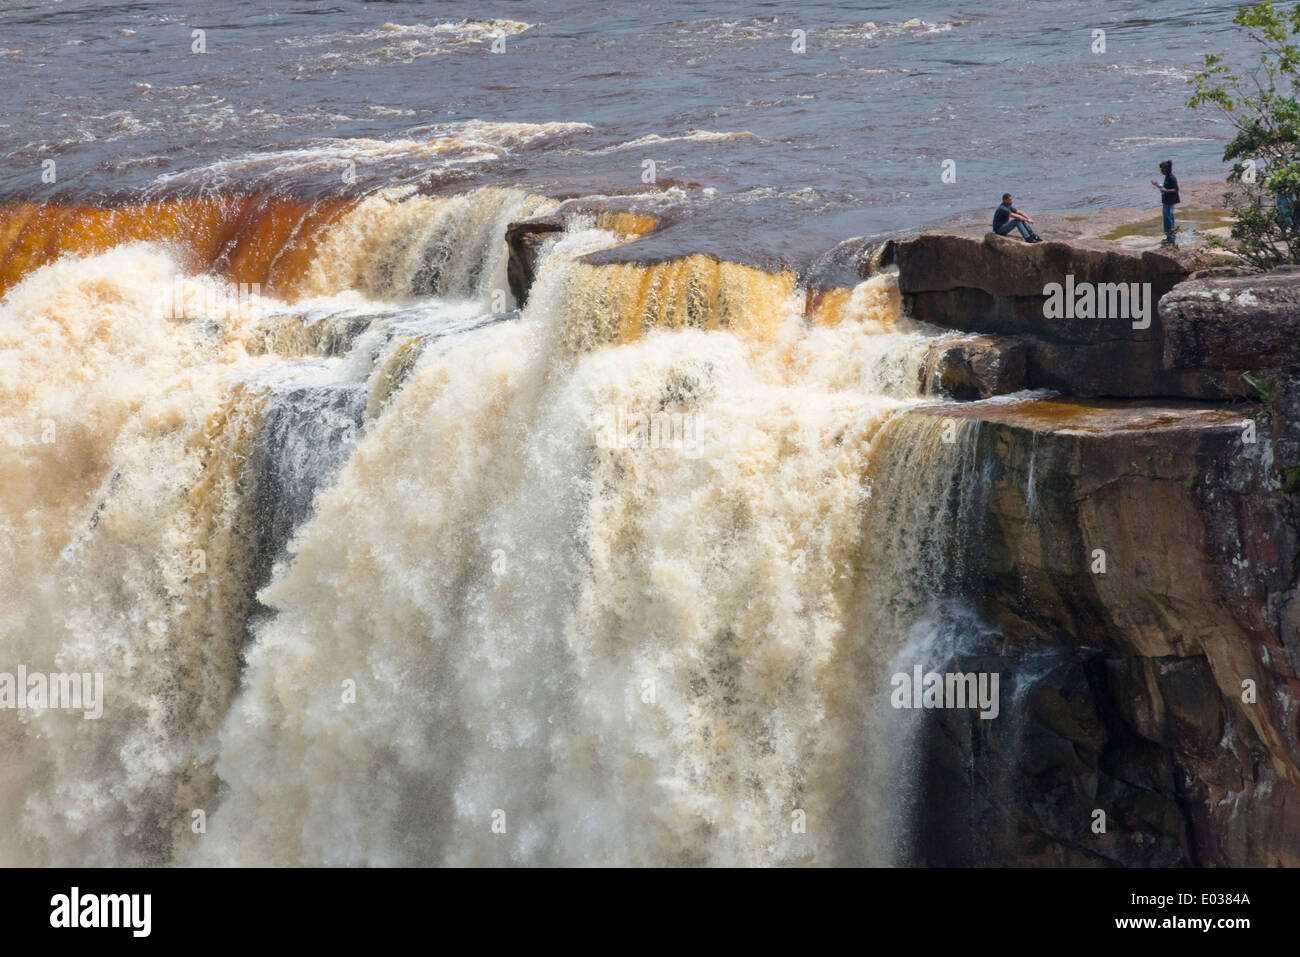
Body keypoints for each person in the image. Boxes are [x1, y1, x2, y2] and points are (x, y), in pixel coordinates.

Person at [1152, 160, 1180, 245]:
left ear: (1166, 169)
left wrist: (1166, 190)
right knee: (1166, 219)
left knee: (1169, 219)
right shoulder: (1167, 177)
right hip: (1166, 201)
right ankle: (1168, 237)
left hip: (1170, 202)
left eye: (1161, 170)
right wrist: (1159, 186)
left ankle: (1171, 238)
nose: (1161, 172)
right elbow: (1165, 188)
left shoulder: (1172, 177)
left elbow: (1176, 189)